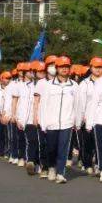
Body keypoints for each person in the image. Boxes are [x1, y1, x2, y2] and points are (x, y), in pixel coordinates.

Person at [33, 55, 79, 183]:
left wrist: (77, 121)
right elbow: (43, 105)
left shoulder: (74, 86)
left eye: (67, 67)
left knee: (63, 148)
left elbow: (78, 105)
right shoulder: (48, 85)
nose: (64, 69)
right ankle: (51, 167)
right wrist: (43, 123)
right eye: (62, 67)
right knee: (51, 148)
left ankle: (60, 173)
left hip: (67, 122)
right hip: (51, 122)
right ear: (57, 68)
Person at [78, 58, 102, 176]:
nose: (98, 69)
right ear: (91, 67)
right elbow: (81, 102)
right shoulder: (84, 84)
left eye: (100, 67)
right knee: (87, 143)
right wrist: (81, 116)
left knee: (101, 143)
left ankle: (100, 164)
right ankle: (87, 164)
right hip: (88, 117)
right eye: (96, 67)